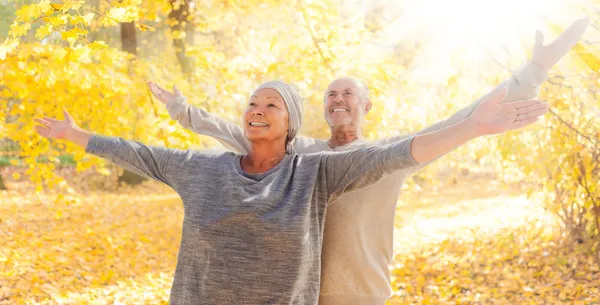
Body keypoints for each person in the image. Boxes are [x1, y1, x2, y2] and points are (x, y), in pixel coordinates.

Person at [148, 17, 590, 305]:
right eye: (330, 94)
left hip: (360, 295)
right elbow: (237, 131)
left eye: (348, 94)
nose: (338, 99)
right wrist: (183, 111)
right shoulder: (300, 154)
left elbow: (464, 119)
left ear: (366, 106)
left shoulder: (389, 157)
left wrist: (534, 71)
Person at [36, 80, 546, 305]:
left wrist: (473, 128)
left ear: (291, 124)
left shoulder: (316, 174)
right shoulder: (200, 169)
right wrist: (74, 136)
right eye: (252, 102)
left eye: (272, 105)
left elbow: (397, 153)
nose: (256, 108)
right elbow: (139, 153)